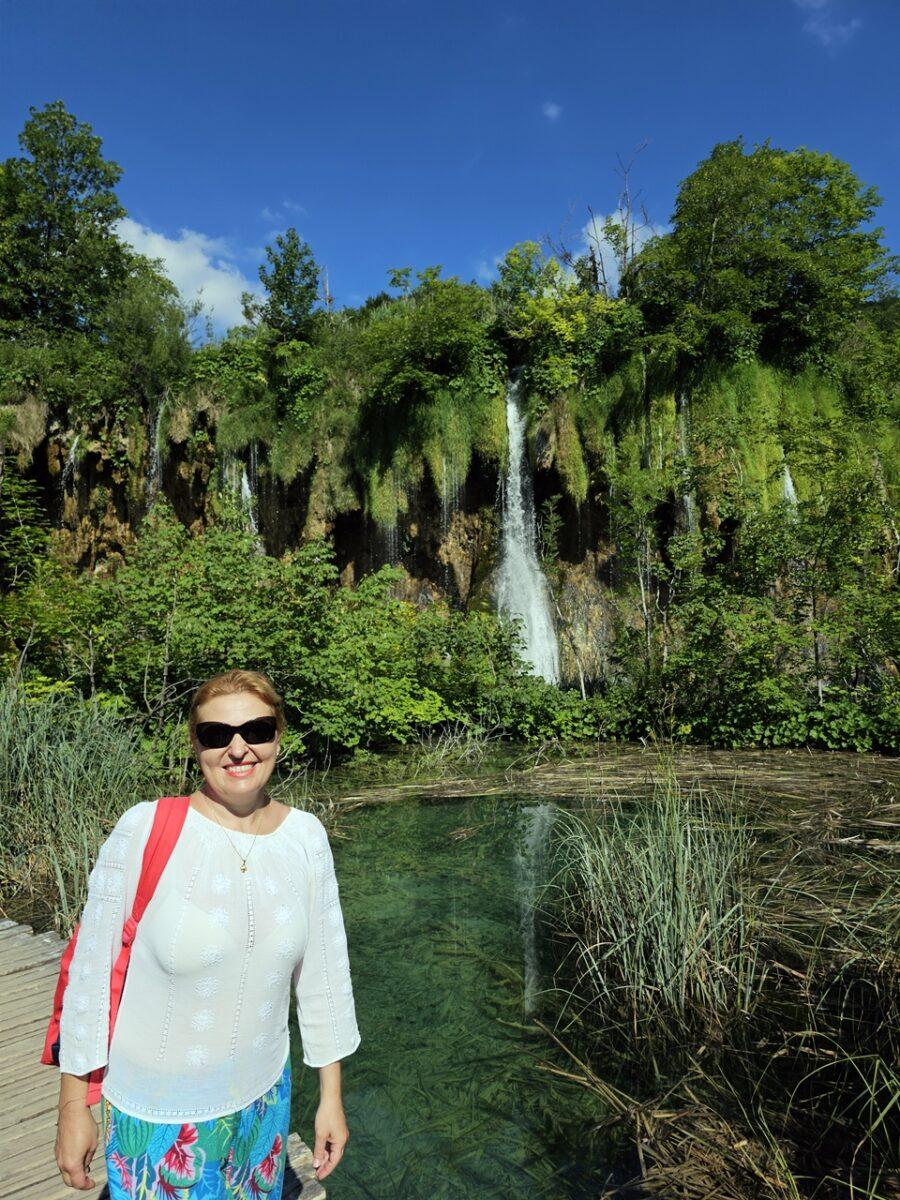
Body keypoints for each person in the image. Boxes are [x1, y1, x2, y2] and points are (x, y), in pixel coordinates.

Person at [54, 669, 361, 1197]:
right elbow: (90, 975)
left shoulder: (306, 837)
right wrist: (72, 1107)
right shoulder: (144, 828)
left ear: (279, 737)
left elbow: (323, 978)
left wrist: (330, 1096)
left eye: (256, 730)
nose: (238, 749)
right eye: (217, 734)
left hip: (264, 1103)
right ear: (196, 744)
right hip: (158, 1113)